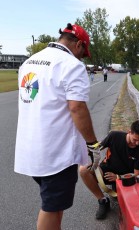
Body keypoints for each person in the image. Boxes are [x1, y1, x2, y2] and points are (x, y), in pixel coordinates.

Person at [15, 23, 101, 230]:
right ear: (79, 44)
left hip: (30, 147)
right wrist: (93, 145)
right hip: (56, 154)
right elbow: (77, 108)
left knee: (54, 204)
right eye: (83, 52)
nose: (81, 58)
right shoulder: (71, 65)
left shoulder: (28, 62)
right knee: (52, 207)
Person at [79, 120, 139, 220]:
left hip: (124, 178)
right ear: (129, 131)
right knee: (83, 170)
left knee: (126, 203)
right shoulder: (114, 136)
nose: (137, 143)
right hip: (106, 171)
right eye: (135, 139)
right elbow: (97, 149)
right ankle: (103, 200)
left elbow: (137, 174)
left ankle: (116, 187)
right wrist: (89, 153)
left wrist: (117, 177)